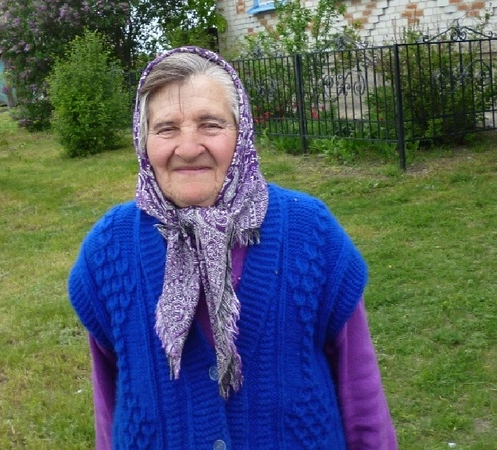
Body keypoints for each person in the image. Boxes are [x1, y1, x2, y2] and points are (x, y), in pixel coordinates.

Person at [68, 46, 397, 449]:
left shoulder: (311, 232)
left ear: (242, 134)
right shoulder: (109, 249)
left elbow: (360, 390)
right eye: (166, 128)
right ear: (143, 140)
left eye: (210, 124)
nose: (188, 148)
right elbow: (110, 402)